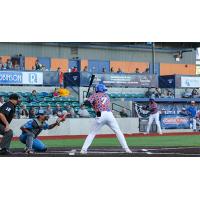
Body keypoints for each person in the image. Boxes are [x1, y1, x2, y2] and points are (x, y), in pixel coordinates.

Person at [80, 83, 132, 154]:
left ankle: (83, 150)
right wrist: (87, 102)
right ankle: (127, 149)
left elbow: (90, 104)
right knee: (118, 131)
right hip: (109, 114)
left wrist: (86, 101)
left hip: (99, 113)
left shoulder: (94, 95)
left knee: (92, 133)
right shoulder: (107, 96)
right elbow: (95, 105)